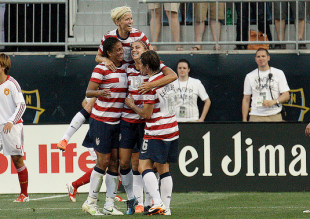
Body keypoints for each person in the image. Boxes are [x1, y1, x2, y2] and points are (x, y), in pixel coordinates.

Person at [57, 5, 152, 151]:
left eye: (132, 18)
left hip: (132, 75)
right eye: (127, 19)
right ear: (118, 22)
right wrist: (106, 61)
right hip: (116, 74)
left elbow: (151, 55)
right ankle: (66, 138)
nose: (131, 21)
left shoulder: (139, 36)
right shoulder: (109, 36)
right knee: (89, 104)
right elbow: (98, 57)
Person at [120, 40, 177, 214]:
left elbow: (146, 114)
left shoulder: (148, 86)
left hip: (156, 130)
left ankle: (158, 201)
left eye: (142, 66)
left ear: (146, 66)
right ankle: (166, 208)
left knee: (143, 166)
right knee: (164, 168)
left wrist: (131, 105)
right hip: (172, 128)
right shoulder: (165, 79)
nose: (140, 68)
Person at [81, 37, 127, 216]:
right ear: (108, 53)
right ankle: (90, 201)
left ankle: (109, 204)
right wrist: (100, 92)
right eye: (117, 49)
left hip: (117, 122)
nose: (121, 51)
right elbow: (88, 91)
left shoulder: (125, 67)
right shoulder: (101, 68)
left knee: (116, 162)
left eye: (121, 48)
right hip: (101, 121)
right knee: (103, 161)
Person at [0, 53, 28, 202]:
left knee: (17, 160)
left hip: (12, 127)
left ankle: (24, 194)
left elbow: (22, 105)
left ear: (3, 67)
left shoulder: (11, 84)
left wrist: (11, 121)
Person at [242, 48, 290, 122]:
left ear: (268, 58)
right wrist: (244, 120)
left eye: (263, 56)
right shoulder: (249, 76)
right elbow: (246, 99)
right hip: (256, 116)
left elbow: (286, 95)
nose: (261, 59)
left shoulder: (278, 73)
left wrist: (274, 102)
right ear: (255, 59)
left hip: (275, 115)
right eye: (258, 57)